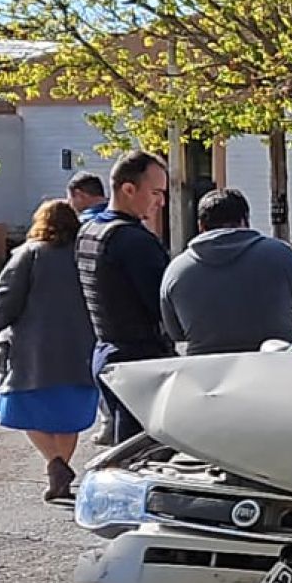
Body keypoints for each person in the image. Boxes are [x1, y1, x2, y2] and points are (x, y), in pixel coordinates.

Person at [0, 200, 99, 501]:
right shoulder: (85, 256)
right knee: (69, 417)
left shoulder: (28, 255)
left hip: (34, 354)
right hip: (81, 352)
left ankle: (55, 465)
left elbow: (2, 303)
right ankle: (60, 471)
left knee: (21, 410)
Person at [162, 188, 292, 355]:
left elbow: (176, 332)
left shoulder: (176, 270)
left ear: (201, 226)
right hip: (275, 367)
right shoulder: (280, 255)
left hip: (207, 374)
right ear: (245, 220)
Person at [77, 150, 171, 443]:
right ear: (129, 190)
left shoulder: (89, 231)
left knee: (123, 449)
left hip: (105, 353)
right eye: (156, 192)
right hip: (140, 364)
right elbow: (164, 308)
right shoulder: (135, 242)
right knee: (140, 457)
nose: (162, 202)